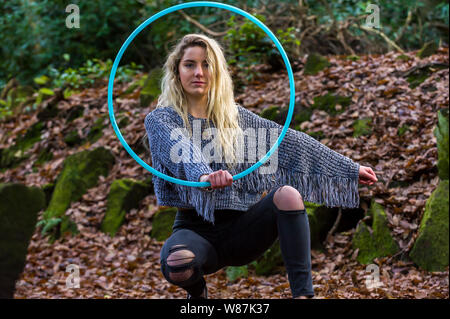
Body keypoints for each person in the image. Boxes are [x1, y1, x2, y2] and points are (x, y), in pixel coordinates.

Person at [143, 34, 378, 299]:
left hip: (243, 228)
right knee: (178, 265)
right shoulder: (162, 119)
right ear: (176, 71)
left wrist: (347, 169)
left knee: (288, 195)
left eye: (207, 64)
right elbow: (184, 150)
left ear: (217, 71)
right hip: (195, 229)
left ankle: (303, 295)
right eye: (189, 64)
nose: (199, 72)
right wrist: (204, 175)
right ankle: (197, 296)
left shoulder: (236, 117)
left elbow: (289, 143)